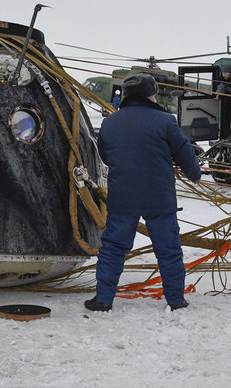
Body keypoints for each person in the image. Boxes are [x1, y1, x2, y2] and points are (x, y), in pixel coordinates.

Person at [85, 73, 202, 312]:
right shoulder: (165, 121)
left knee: (114, 248)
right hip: (158, 198)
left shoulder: (110, 122)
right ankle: (176, 300)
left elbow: (106, 156)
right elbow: (184, 154)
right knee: (168, 250)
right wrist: (194, 174)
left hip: (122, 198)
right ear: (151, 94)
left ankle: (103, 299)